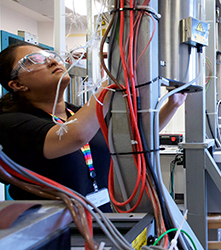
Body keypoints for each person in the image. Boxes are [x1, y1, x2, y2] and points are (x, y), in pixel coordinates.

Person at [0, 42, 186, 212]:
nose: (50, 62)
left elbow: (134, 138)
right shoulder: (11, 123)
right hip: (52, 231)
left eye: (50, 56)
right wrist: (114, 77)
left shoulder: (76, 114)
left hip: (99, 220)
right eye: (35, 60)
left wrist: (173, 105)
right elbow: (74, 136)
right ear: (17, 84)